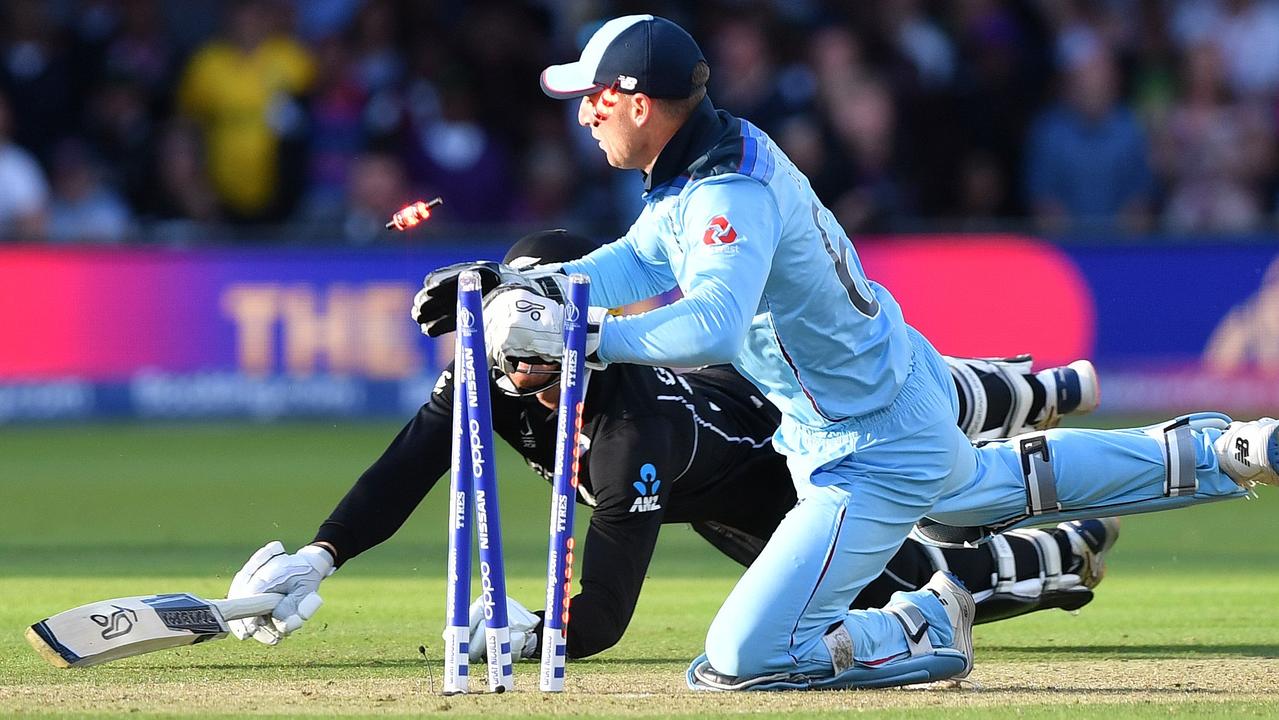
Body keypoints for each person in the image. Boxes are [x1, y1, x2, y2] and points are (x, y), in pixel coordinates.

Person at [456, 15, 1276, 691]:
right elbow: (637, 260)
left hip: (864, 445)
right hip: (878, 401)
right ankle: (1220, 449)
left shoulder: (723, 194)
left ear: (638, 103)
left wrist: (581, 333)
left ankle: (920, 624)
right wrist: (517, 283)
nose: (585, 112)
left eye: (596, 96)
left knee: (738, 662)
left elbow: (708, 322)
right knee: (977, 491)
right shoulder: (705, 160)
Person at [224, 230, 1110, 660]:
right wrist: (321, 554)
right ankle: (1054, 557)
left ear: (579, 333)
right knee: (920, 598)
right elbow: (412, 462)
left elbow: (603, 613)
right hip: (720, 501)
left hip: (779, 459)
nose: (510, 369)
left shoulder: (629, 436)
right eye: (501, 344)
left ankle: (1024, 398)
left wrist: (535, 637)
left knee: (925, 459)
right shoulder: (495, 376)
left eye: (532, 348)